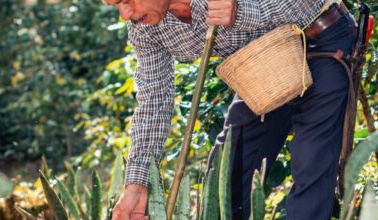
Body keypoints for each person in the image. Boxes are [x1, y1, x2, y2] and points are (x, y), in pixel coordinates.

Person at [104, 0, 357, 219]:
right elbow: (153, 101)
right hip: (263, 64)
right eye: (115, 5)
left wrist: (244, 10)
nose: (125, 14)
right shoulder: (144, 29)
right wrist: (136, 186)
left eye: (127, 0)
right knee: (224, 176)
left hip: (321, 40)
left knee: (311, 164)